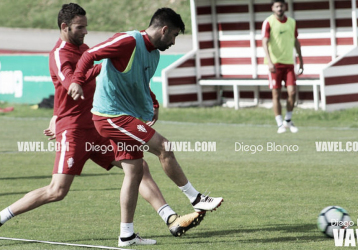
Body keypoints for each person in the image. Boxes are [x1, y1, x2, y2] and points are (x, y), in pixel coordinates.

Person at [0, 3, 206, 247]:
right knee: (57, 190)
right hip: (74, 131)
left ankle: (169, 218)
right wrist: (59, 114)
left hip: (100, 127)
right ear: (64, 27)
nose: (85, 32)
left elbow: (100, 70)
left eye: (86, 26)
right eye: (80, 27)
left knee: (138, 167)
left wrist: (114, 67)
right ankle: (2, 216)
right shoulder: (60, 54)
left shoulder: (84, 48)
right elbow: (70, 83)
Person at [68, 7, 224, 247]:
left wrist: (153, 102)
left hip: (123, 116)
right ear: (164, 30)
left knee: (134, 173)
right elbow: (91, 56)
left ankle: (126, 235)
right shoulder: (128, 40)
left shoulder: (154, 55)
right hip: (110, 116)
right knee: (164, 147)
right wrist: (77, 81)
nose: (173, 42)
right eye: (173, 36)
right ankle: (196, 198)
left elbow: (140, 82)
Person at [262, 0, 304, 134]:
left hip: (289, 64)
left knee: (292, 92)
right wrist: (269, 62)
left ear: (285, 7)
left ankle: (288, 120)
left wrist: (301, 60)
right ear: (272, 8)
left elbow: (296, 42)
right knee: (276, 94)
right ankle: (279, 123)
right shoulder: (268, 22)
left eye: (281, 6)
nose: (279, 8)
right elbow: (264, 42)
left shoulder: (292, 22)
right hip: (275, 65)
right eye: (277, 6)